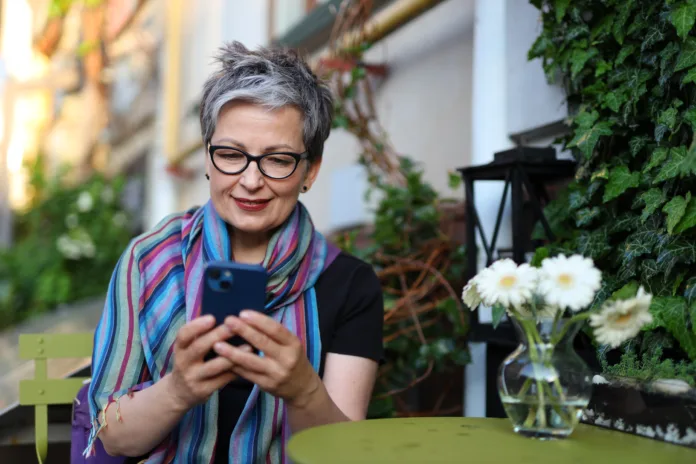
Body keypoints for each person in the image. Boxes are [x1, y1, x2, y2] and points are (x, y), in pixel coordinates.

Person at [85, 41, 384, 463]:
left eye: (277, 160)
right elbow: (114, 438)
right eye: (230, 155)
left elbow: (343, 454)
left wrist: (302, 389)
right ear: (207, 157)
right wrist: (179, 389)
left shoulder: (350, 284)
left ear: (310, 170)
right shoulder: (149, 259)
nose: (249, 181)